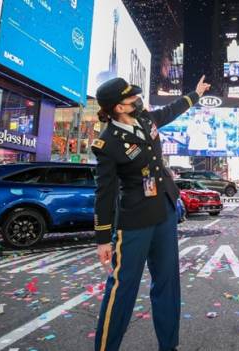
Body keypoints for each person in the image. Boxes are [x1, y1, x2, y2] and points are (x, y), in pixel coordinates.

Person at [92, 75, 210, 351]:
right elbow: (105, 193)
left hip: (164, 211)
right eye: (130, 97)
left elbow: (169, 111)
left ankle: (169, 346)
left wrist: (195, 94)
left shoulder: (144, 118)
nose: (136, 99)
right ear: (119, 108)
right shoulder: (107, 143)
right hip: (135, 220)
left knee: (167, 282)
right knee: (123, 287)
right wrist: (101, 239)